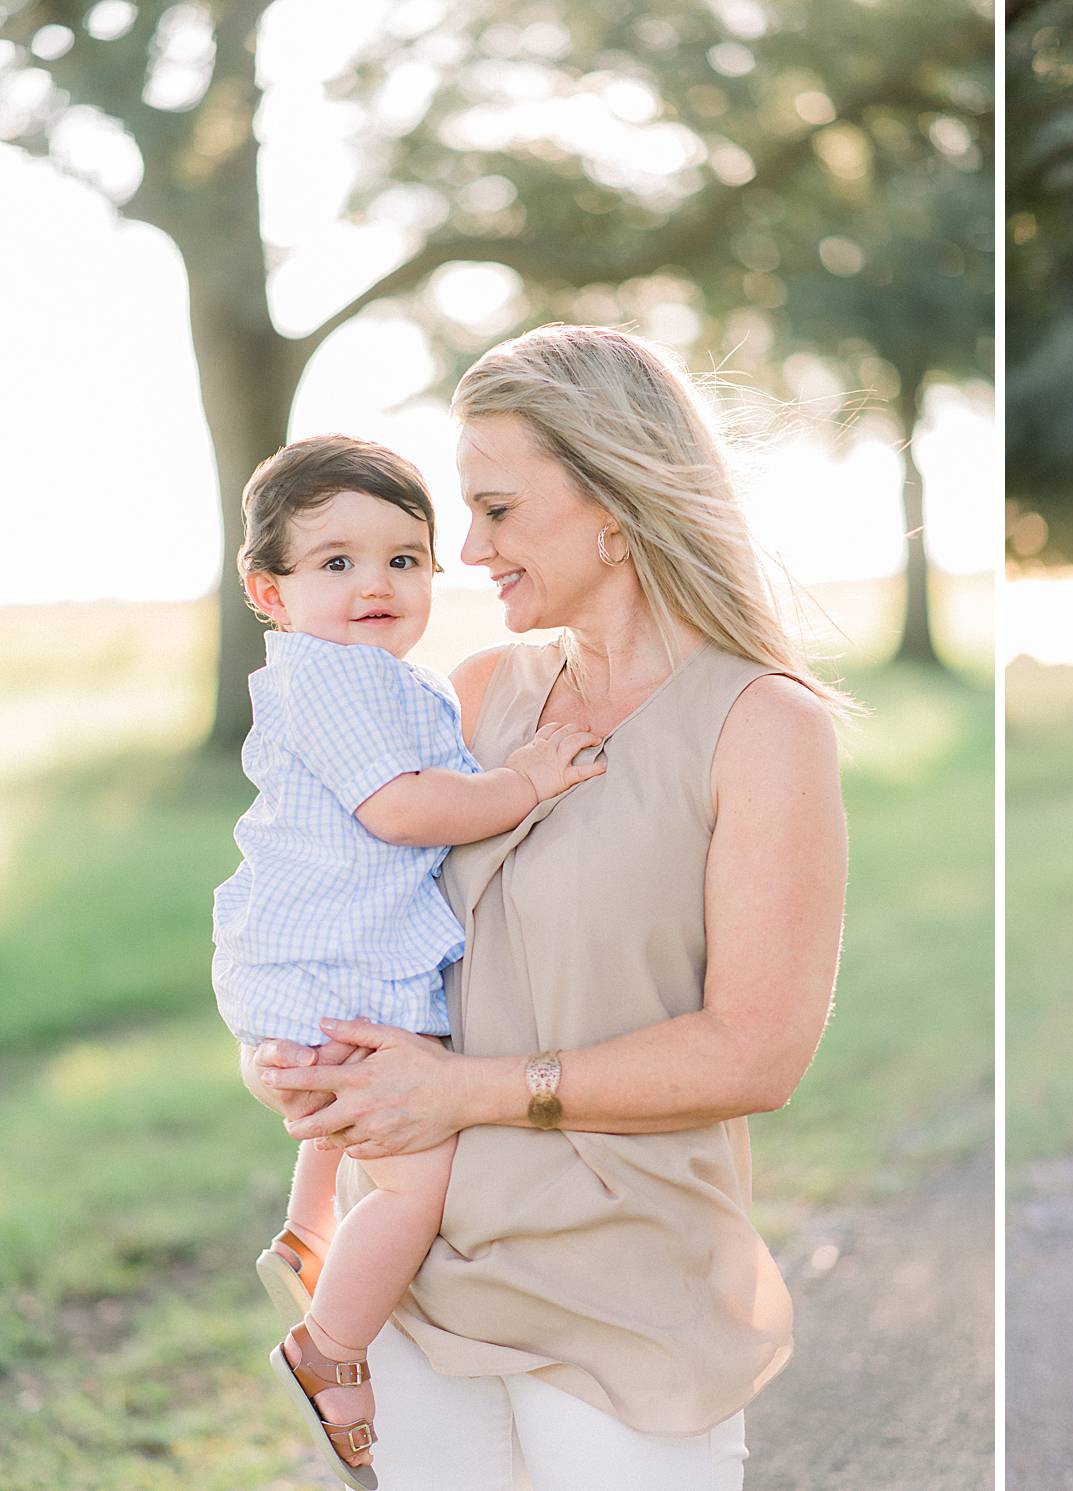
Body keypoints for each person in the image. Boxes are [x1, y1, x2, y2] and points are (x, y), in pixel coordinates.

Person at [242, 324, 849, 1491]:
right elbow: (341, 916)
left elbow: (757, 1053)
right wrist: (292, 1066)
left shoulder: (762, 725)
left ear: (615, 501)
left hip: (623, 1297)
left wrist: (464, 1092)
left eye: (498, 510)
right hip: (415, 1289)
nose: (466, 550)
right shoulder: (469, 699)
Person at [214, 435, 603, 1489]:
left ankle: (306, 1231)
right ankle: (328, 1344)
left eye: (403, 557)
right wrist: (522, 783)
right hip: (335, 964)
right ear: (270, 589)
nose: (375, 582)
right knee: (417, 1177)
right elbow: (402, 810)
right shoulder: (337, 680)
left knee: (350, 1114)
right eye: (334, 563)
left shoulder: (372, 676)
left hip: (325, 957)